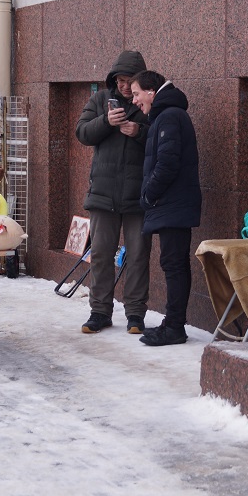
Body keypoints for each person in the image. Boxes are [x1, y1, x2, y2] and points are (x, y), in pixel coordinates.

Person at [75, 50, 152, 335]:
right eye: (119, 80)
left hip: (137, 195)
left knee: (138, 255)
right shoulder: (99, 101)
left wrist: (138, 131)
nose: (123, 85)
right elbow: (82, 132)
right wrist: (107, 121)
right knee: (102, 254)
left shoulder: (147, 102)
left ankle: (135, 314)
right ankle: (99, 312)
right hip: (103, 193)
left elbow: (161, 138)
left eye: (128, 80)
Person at [129, 70, 201, 347]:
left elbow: (167, 164)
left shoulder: (169, 116)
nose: (134, 100)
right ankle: (173, 324)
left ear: (151, 91)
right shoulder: (166, 115)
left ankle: (174, 327)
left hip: (173, 204)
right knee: (174, 264)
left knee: (174, 265)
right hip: (174, 204)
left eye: (136, 94)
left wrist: (148, 195)